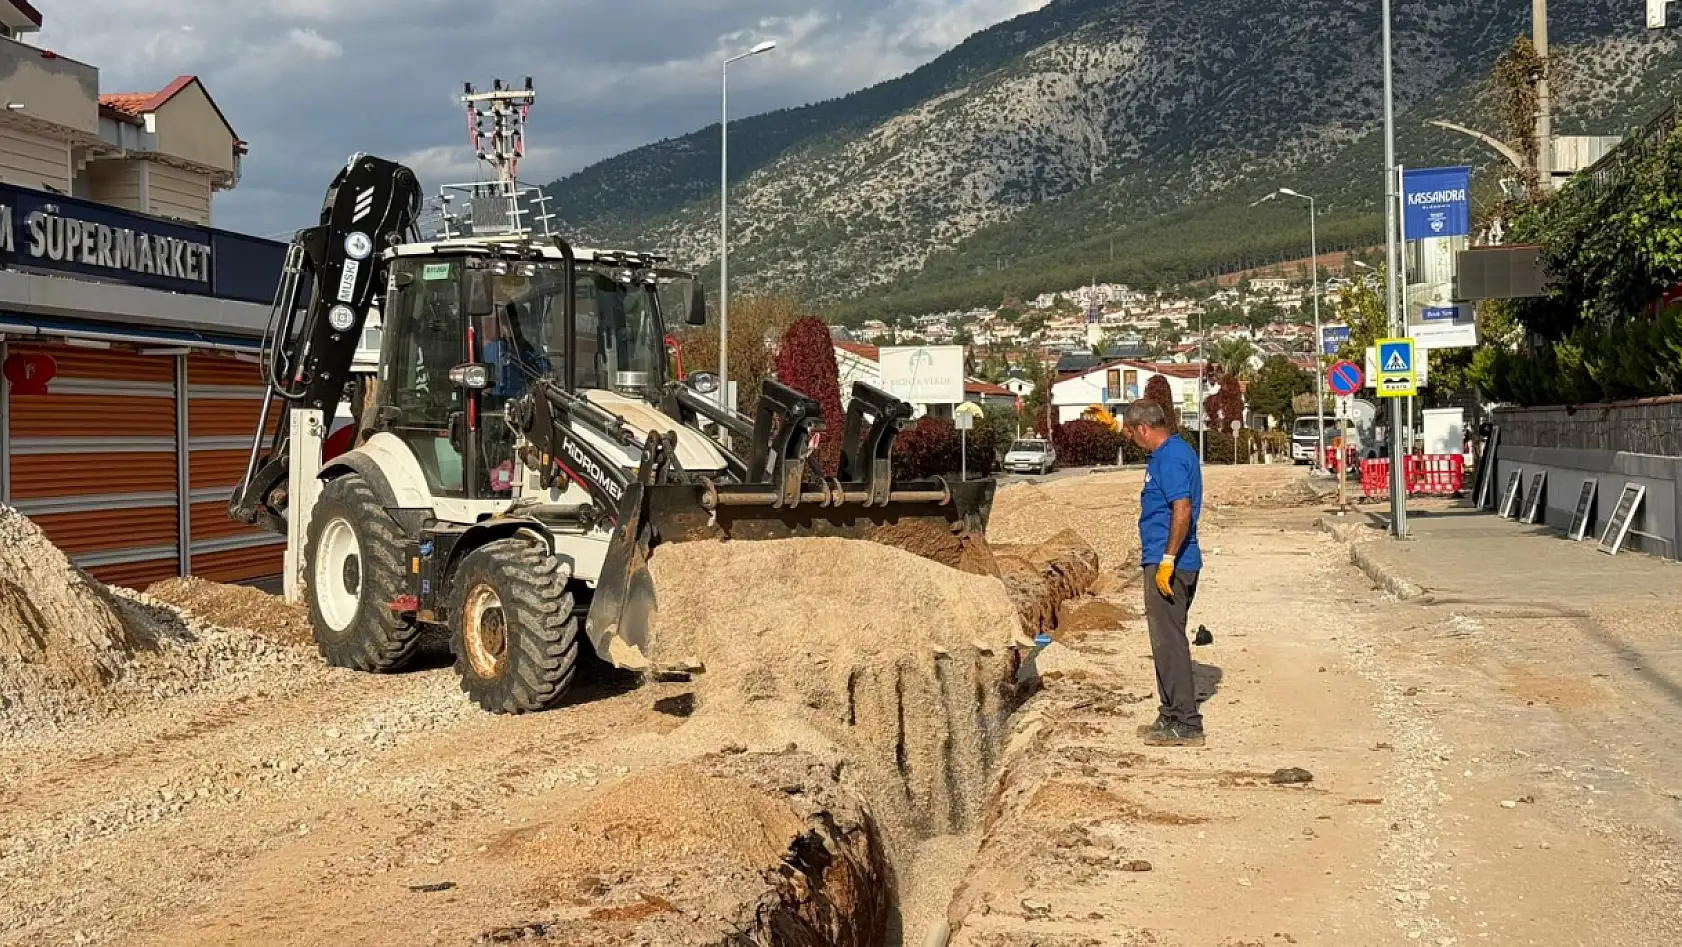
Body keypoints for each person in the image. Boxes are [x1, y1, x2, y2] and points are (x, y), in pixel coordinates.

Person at [1123, 399, 1206, 747]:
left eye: (1131, 432)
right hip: (1167, 559)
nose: (1129, 438)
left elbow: (1182, 509)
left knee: (1169, 643)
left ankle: (1187, 723)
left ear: (1144, 428)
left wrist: (1168, 558)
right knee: (1163, 641)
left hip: (1169, 563)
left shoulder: (1170, 457)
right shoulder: (1170, 453)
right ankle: (1170, 713)